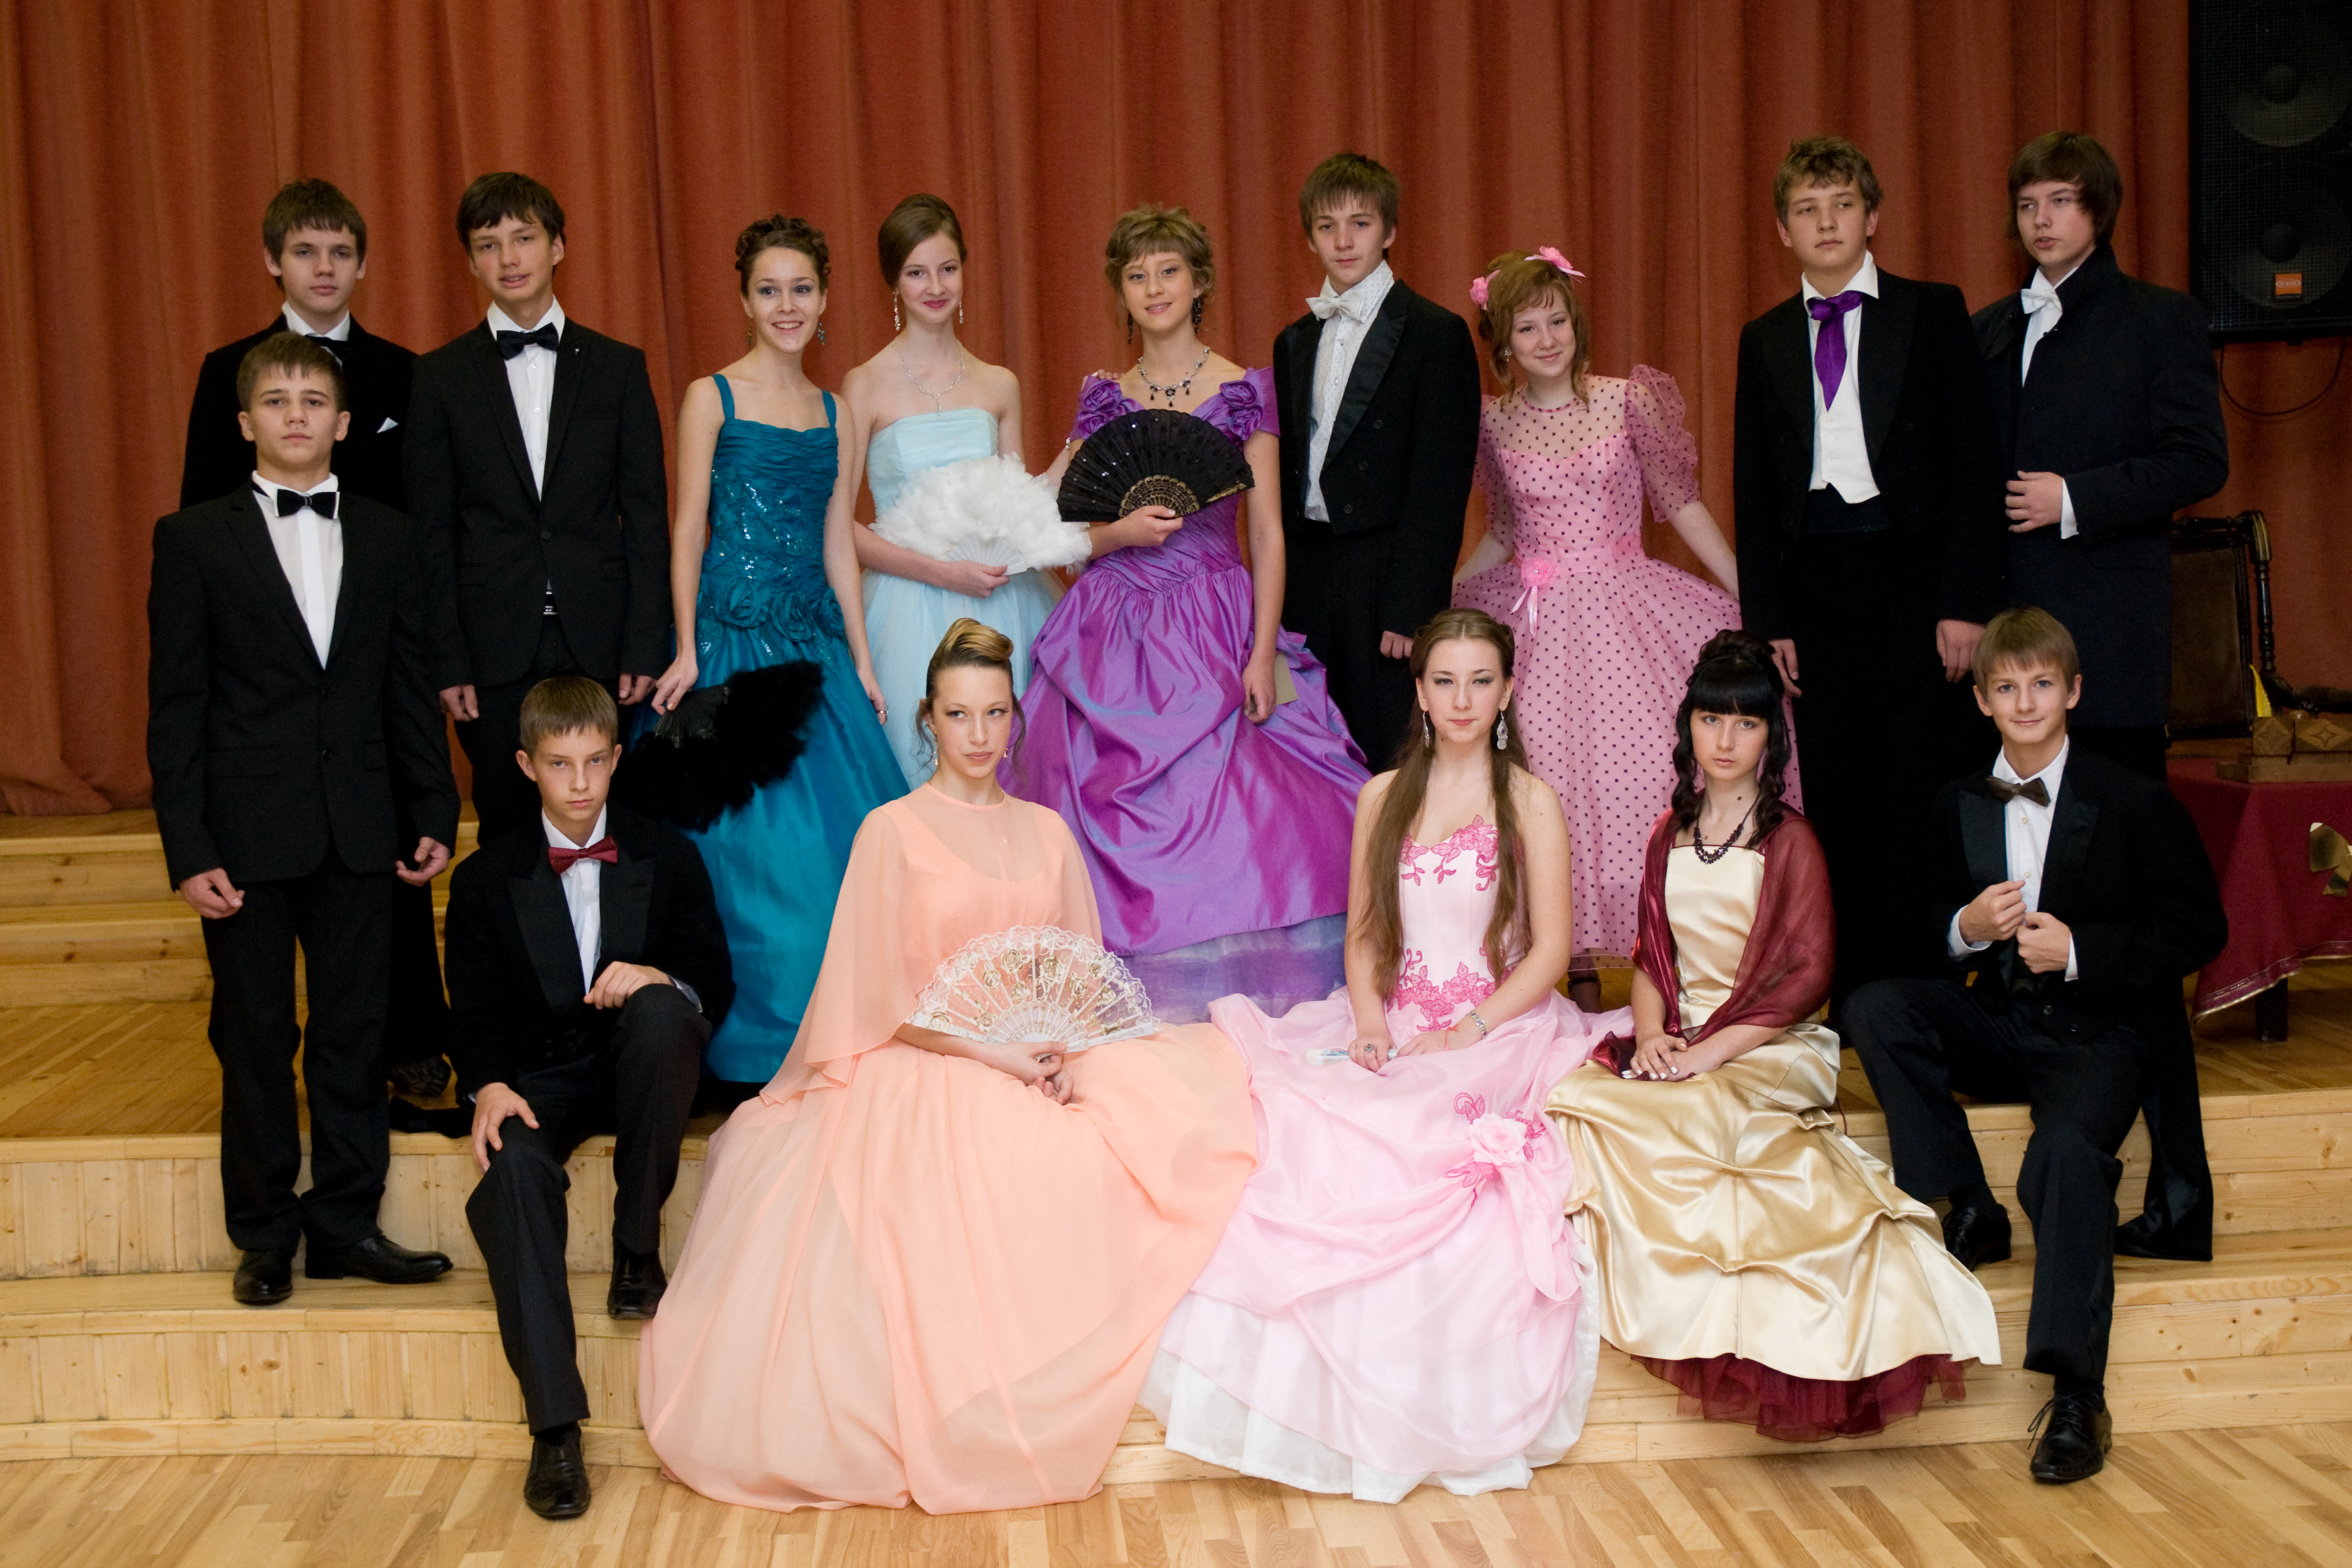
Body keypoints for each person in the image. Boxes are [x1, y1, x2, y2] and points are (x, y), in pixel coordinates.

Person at [638, 620, 1256, 1514]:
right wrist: (991, 1053)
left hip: (1037, 1049)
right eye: (958, 714)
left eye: (994, 713)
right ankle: (987, 1395)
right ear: (928, 719)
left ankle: (1083, 1346)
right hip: (925, 1056)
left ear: (1014, 718)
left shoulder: (1047, 831)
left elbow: (1077, 971)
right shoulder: (890, 830)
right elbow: (873, 998)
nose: (978, 733)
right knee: (1001, 1156)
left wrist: (1064, 1053)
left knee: (1157, 1121)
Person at [1146, 608, 1625, 1502]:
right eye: (1444, 680)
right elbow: (1365, 935)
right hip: (1391, 1017)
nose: (1461, 699)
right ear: (1419, 691)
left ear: (1506, 692)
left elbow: (1551, 951)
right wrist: (1369, 1023)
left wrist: (1469, 1029)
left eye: (1479, 681)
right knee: (1305, 1122)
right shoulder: (1381, 796)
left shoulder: (1529, 800)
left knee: (1426, 1135)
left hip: (1494, 1026)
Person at [1546, 630, 2000, 1443]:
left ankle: (1767, 1303)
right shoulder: (1667, 831)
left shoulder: (1789, 840)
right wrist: (1649, 1035)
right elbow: (1651, 956)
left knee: (1690, 1110)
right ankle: (1668, 1282)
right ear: (1687, 726)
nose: (1724, 739)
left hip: (1767, 1043)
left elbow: (1804, 981)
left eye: (1745, 723)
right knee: (1581, 1102)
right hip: (1680, 1035)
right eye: (1709, 720)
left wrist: (1704, 1054)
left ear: (1770, 737)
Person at [1845, 608, 2226, 1484]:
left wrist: (2082, 951)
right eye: (2006, 687)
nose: (2024, 702)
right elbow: (1907, 925)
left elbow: (2197, 928)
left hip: (2098, 1035)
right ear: (1981, 700)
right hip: (2002, 1022)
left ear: (2073, 692)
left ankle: (2076, 1396)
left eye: (2042, 684)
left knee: (2063, 1154)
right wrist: (1964, 928)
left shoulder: (2131, 797)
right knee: (1874, 1007)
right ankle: (1966, 1201)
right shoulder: (1954, 801)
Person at [146, 334, 458, 1307]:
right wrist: (188, 845)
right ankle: (265, 1234)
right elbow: (176, 706)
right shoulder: (192, 539)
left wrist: (433, 803)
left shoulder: (389, 534)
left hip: (361, 824)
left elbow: (408, 684)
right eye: (276, 400)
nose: (295, 415)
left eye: (313, 400)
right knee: (254, 1035)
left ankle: (346, 1223)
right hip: (243, 835)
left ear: (344, 422)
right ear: (245, 422)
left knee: (354, 1033)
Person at [1012, 204, 1369, 1023]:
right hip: (1110, 625)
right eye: (1136, 275)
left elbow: (1268, 534)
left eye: (1168, 270)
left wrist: (1258, 653)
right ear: (1120, 293)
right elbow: (1049, 528)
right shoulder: (1101, 398)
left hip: (1215, 618)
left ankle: (1244, 990)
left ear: (1199, 280)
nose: (1153, 288)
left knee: (1264, 805)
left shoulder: (1245, 390)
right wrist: (1116, 534)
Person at [177, 176, 449, 1103]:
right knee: (262, 958)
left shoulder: (404, 370)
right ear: (274, 261)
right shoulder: (228, 370)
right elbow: (203, 510)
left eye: (340, 252)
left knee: (386, 866)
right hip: (266, 671)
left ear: (363, 264)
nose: (323, 268)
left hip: (373, 645)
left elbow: (426, 512)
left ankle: (410, 1038)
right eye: (305, 251)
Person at [447, 676, 734, 1521]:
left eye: (595, 762)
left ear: (616, 758)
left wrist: (657, 976)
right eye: (559, 764)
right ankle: (554, 1430)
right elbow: (473, 1011)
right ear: (525, 765)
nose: (579, 783)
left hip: (639, 1066)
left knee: (664, 1012)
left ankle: (636, 1251)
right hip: (536, 1078)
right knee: (510, 1172)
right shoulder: (484, 877)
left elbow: (713, 978)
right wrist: (489, 1084)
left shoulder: (667, 854)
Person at [1734, 135, 2006, 1007]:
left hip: (1915, 579)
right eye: (1806, 210)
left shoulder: (1930, 311)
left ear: (1871, 216)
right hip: (1815, 583)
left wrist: (1964, 601)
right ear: (1782, 229)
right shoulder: (1764, 337)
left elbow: (1974, 465)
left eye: (1842, 205)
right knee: (1837, 789)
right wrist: (1768, 621)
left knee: (1916, 781)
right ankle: (1855, 993)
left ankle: (1930, 981)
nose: (1826, 223)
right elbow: (1751, 488)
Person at [644, 216, 904, 1093]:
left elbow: (838, 544)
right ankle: (754, 1052)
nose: (786, 306)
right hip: (729, 650)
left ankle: (847, 1042)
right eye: (769, 290)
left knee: (847, 863)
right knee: (748, 863)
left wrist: (861, 660)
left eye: (801, 289)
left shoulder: (835, 412)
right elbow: (687, 529)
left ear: (825, 298)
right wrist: (687, 646)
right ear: (745, 300)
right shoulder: (710, 397)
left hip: (813, 651)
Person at [1453, 249, 1745, 1011]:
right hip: (1536, 623)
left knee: (1647, 777)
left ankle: (1667, 958)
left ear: (1575, 324)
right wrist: (1447, 600)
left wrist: (1745, 591)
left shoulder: (1625, 401)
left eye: (1556, 320)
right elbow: (1503, 531)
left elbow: (1678, 503)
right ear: (1503, 342)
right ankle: (1572, 960)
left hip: (1627, 612)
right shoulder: (1491, 421)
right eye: (1526, 327)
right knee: (1543, 781)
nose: (1546, 338)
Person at [406, 171, 670, 841]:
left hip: (601, 638)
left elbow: (645, 517)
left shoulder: (618, 367)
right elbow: (431, 532)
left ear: (557, 246)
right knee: (507, 822)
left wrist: (645, 640)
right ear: (471, 261)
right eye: (488, 244)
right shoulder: (438, 377)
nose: (509, 257)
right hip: (491, 645)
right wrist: (448, 659)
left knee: (612, 821)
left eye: (523, 238)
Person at [1973, 132, 2229, 781]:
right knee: (2013, 823)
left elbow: (2198, 459)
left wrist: (2073, 498)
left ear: (2100, 209)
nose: (2042, 220)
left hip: (2109, 632)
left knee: (2118, 818)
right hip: (2006, 633)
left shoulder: (2160, 318)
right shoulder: (1987, 327)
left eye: (2061, 200)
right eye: (2028, 205)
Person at [1275, 152, 1482, 765]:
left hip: (1385, 578)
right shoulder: (1292, 341)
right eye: (1326, 226)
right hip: (1309, 576)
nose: (1343, 241)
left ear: (1389, 231)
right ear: (1309, 238)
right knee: (1307, 751)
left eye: (1360, 224)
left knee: (1387, 752)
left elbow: (1440, 482)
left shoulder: (1435, 333)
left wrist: (1412, 606)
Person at [846, 193, 1060, 784]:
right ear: (894, 282)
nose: (935, 286)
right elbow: (838, 526)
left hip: (1003, 601)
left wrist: (1073, 454)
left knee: (1011, 769)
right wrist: (940, 573)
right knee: (918, 773)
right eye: (917, 273)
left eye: (947, 268)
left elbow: (1019, 510)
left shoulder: (999, 383)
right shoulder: (865, 385)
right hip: (904, 605)